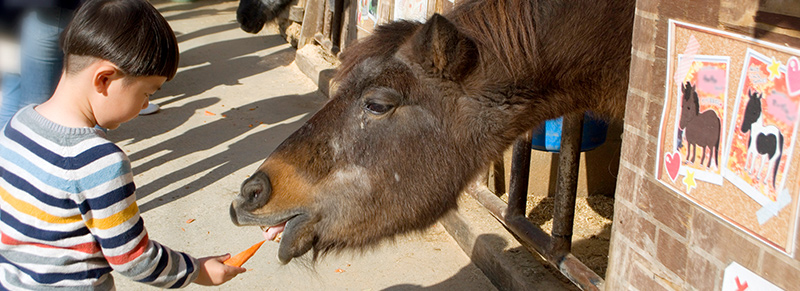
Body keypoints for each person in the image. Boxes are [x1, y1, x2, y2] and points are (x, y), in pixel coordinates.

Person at [0, 0, 246, 289]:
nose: (147, 103)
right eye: (146, 92)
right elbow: (133, 258)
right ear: (104, 79)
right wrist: (196, 270)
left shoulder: (16, 124)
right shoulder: (100, 162)